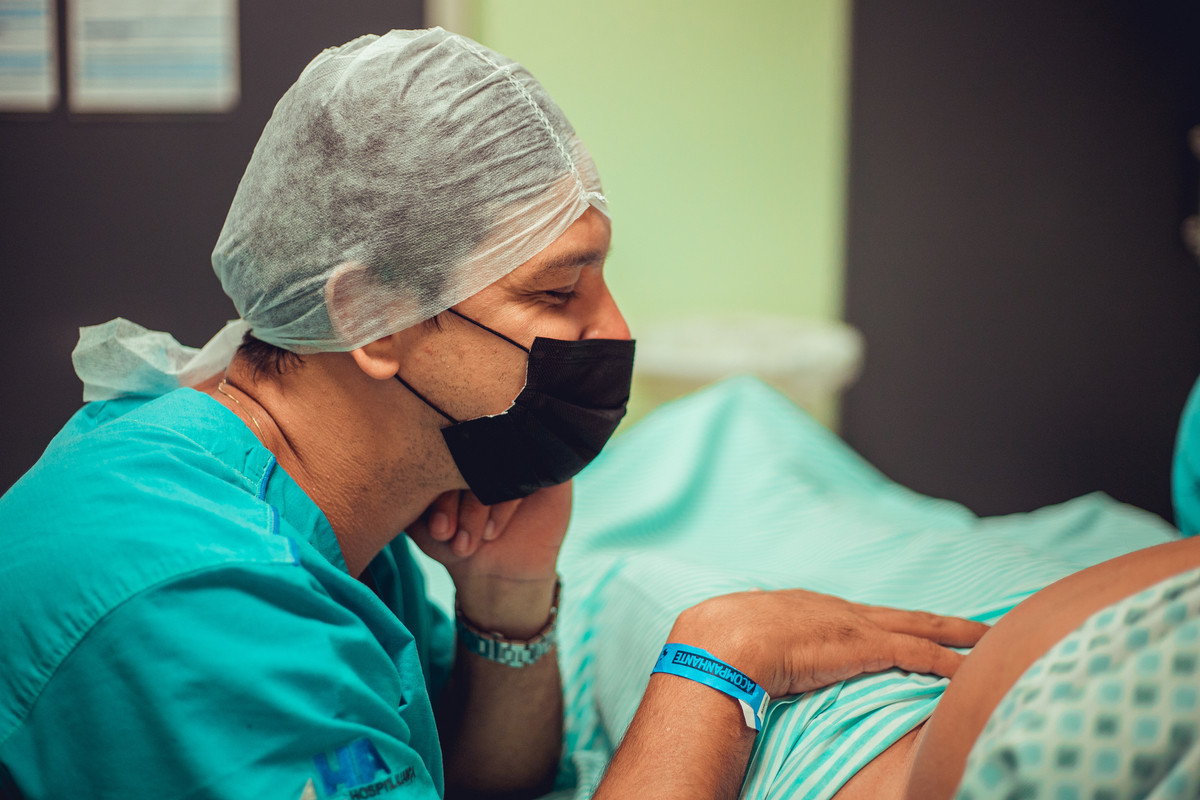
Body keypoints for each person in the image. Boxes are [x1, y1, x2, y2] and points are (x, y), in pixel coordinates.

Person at [0, 28, 983, 800]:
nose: (616, 330)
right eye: (558, 293)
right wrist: (719, 668)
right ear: (369, 316)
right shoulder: (201, 603)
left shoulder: (321, 504)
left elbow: (474, 776)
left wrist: (508, 601)